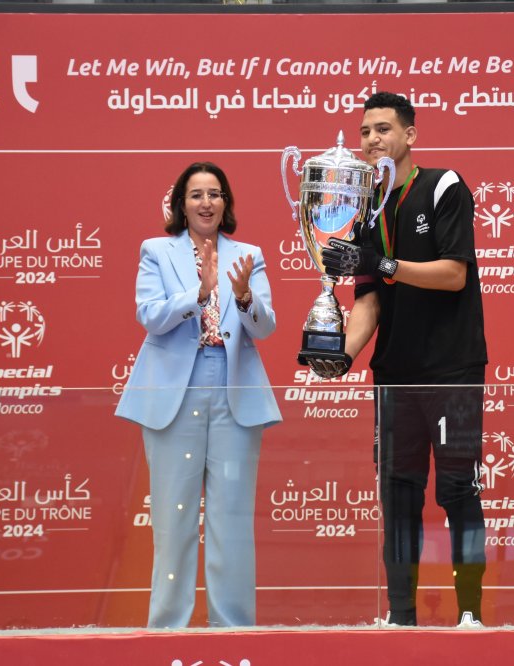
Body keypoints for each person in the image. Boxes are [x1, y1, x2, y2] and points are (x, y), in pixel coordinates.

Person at [311, 92, 488, 627]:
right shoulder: (364, 210)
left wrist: (385, 261)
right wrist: (340, 355)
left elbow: (453, 272)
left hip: (452, 369)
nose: (371, 140)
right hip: (394, 375)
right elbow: (368, 301)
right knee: (399, 495)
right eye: (365, 131)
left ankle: (471, 616)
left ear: (410, 135)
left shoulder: (444, 185)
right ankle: (401, 617)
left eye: (383, 129)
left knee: (458, 488)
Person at [116, 162, 281, 628]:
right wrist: (199, 292)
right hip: (174, 391)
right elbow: (149, 315)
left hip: (234, 391)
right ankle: (167, 629)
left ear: (226, 202)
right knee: (173, 519)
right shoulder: (157, 251)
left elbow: (265, 328)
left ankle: (233, 629)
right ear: (181, 205)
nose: (206, 202)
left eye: (214, 194)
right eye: (196, 195)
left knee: (231, 520)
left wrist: (245, 297)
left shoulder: (248, 254)